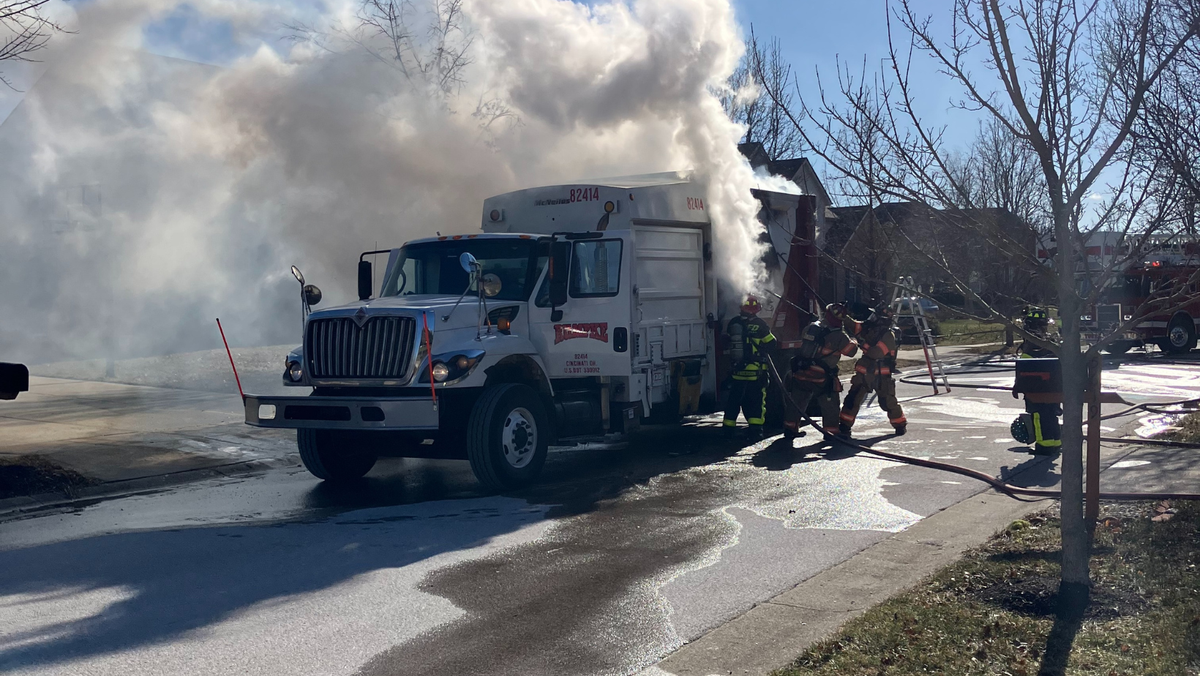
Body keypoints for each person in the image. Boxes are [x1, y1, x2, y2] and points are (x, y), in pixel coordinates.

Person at [784, 303, 858, 438]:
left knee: (797, 401)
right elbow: (851, 351)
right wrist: (853, 339)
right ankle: (831, 432)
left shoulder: (811, 327)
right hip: (821, 377)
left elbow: (805, 338)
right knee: (830, 404)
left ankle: (790, 429)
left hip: (802, 372)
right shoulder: (839, 336)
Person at [839, 304, 907, 437]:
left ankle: (900, 425)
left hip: (881, 375)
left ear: (881, 319)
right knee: (852, 399)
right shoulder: (868, 328)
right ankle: (844, 426)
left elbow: (875, 353)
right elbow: (853, 326)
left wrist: (859, 342)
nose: (872, 318)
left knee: (888, 402)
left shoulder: (888, 335)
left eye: (875, 316)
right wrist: (841, 314)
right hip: (864, 373)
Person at [723, 295, 777, 439]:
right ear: (757, 309)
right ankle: (755, 431)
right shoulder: (760, 324)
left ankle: (728, 430)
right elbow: (772, 343)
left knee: (733, 401)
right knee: (756, 401)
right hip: (755, 372)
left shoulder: (734, 323)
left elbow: (728, 340)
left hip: (737, 371)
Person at [1014, 306, 1062, 455]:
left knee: (1038, 415)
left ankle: (1044, 445)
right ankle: (1055, 442)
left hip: (1036, 388)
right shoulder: (1050, 341)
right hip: (1054, 387)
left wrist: (1018, 386)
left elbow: (1025, 367)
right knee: (1051, 414)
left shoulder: (1031, 343)